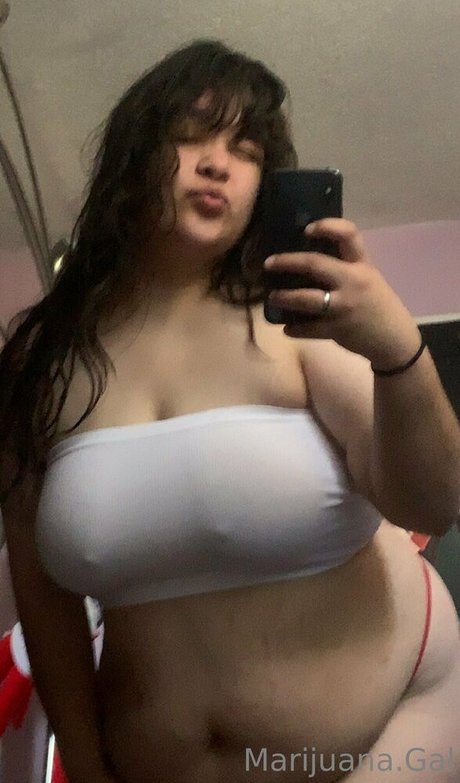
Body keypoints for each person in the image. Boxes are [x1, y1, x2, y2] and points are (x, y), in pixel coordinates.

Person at [0, 38, 459, 783]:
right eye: (191, 136)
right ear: (134, 153)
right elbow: (42, 592)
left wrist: (400, 352)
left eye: (245, 151)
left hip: (395, 725)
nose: (218, 163)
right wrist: (83, 761)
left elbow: (435, 501)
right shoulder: (44, 363)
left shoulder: (299, 321)